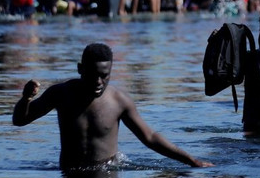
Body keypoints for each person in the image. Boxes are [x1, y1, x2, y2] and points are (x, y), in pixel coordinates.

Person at [13, 43, 212, 169]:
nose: (99, 81)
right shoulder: (61, 93)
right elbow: (20, 120)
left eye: (105, 75)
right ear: (80, 69)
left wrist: (190, 161)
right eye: (93, 75)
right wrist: (25, 99)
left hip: (106, 174)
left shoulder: (119, 101)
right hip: (69, 174)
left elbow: (150, 137)